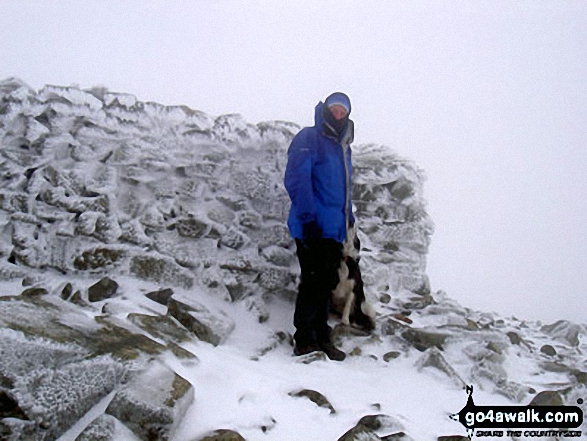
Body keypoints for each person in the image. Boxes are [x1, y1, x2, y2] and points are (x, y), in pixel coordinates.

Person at [284, 92, 355, 361]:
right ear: (326, 110)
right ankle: (304, 339)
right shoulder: (309, 138)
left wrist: (349, 221)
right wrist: (308, 218)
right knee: (312, 282)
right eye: (334, 109)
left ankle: (322, 337)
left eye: (342, 111)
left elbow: (346, 189)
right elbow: (297, 179)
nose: (338, 114)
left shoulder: (343, 148)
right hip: (312, 224)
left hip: (335, 228)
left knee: (327, 283)